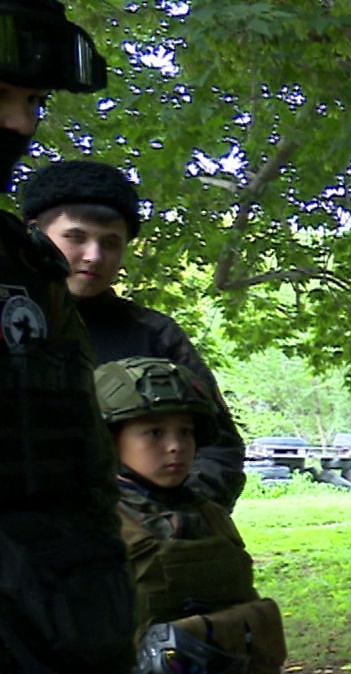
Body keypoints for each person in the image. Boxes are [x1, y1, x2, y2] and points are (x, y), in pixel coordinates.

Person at [0, 0, 141, 674]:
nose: (21, 123)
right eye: (5, 96)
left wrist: (103, 665)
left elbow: (78, 485)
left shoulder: (23, 272)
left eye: (35, 104)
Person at [83, 357, 284, 674]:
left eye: (186, 432)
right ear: (108, 439)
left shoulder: (209, 516)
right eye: (153, 433)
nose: (175, 447)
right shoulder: (90, 525)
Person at [18, 159, 248, 509]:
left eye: (110, 243)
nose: (93, 256)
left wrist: (172, 520)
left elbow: (218, 447)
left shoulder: (155, 336)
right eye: (75, 238)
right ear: (34, 234)